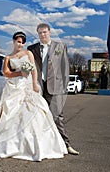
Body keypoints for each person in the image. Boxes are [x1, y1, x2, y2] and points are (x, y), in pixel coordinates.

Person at [0, 31, 67, 161]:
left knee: (34, 112)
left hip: (27, 85)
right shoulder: (8, 58)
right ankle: (10, 145)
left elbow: (33, 70)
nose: (20, 44)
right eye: (18, 41)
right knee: (11, 112)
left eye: (22, 42)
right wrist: (19, 74)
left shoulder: (28, 54)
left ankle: (37, 146)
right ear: (13, 41)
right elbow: (6, 73)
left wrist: (34, 84)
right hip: (13, 87)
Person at [27, 23, 79, 155]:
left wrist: (64, 86)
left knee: (57, 116)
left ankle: (66, 145)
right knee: (38, 116)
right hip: (39, 87)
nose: (42, 35)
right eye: (40, 33)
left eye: (45, 32)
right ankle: (43, 146)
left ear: (49, 32)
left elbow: (65, 68)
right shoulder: (32, 48)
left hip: (56, 87)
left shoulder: (60, 47)